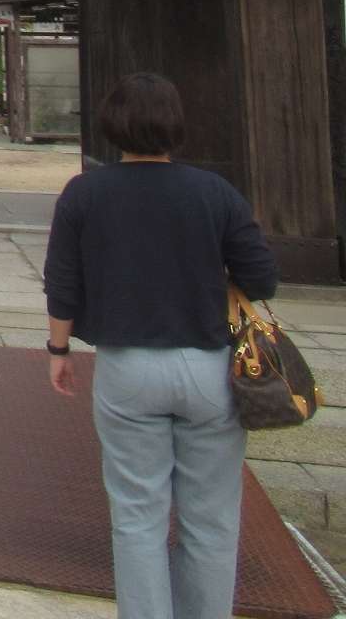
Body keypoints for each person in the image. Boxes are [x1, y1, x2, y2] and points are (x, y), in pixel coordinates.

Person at [44, 73, 277, 619]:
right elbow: (262, 279)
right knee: (212, 517)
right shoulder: (214, 192)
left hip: (127, 366)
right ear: (175, 126)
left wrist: (59, 351)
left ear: (111, 125)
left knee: (137, 514)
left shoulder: (85, 193)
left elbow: (62, 281)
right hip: (208, 366)